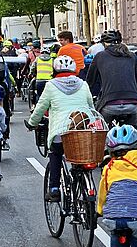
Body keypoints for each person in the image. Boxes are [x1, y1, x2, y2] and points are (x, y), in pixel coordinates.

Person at [26, 55, 95, 201]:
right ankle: (83, 185)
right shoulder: (83, 84)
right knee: (79, 154)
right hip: (82, 130)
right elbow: (91, 107)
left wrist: (32, 123)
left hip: (61, 132)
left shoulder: (51, 85)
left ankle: (54, 188)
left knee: (56, 154)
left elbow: (40, 108)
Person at [86, 30, 137, 128]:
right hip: (132, 103)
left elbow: (90, 82)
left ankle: (105, 141)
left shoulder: (100, 56)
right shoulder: (132, 56)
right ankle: (136, 141)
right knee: (134, 130)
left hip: (109, 103)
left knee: (101, 130)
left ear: (103, 44)